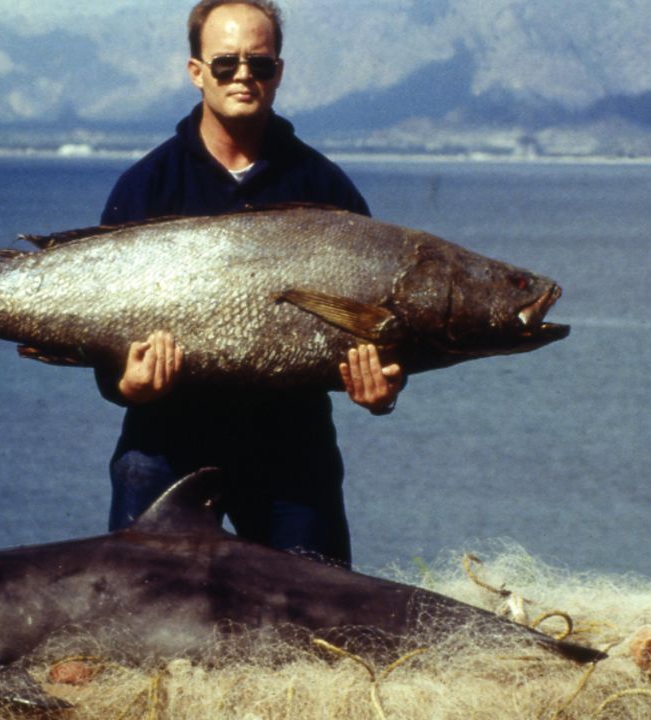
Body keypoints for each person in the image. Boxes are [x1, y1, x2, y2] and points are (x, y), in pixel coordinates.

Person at [96, 0, 402, 568]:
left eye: (259, 64)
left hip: (291, 448)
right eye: (225, 63)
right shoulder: (146, 186)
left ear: (278, 72)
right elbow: (98, 326)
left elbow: (371, 323)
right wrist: (125, 384)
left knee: (321, 627)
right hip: (165, 445)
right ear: (196, 71)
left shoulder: (325, 187)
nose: (243, 76)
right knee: (136, 625)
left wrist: (382, 389)